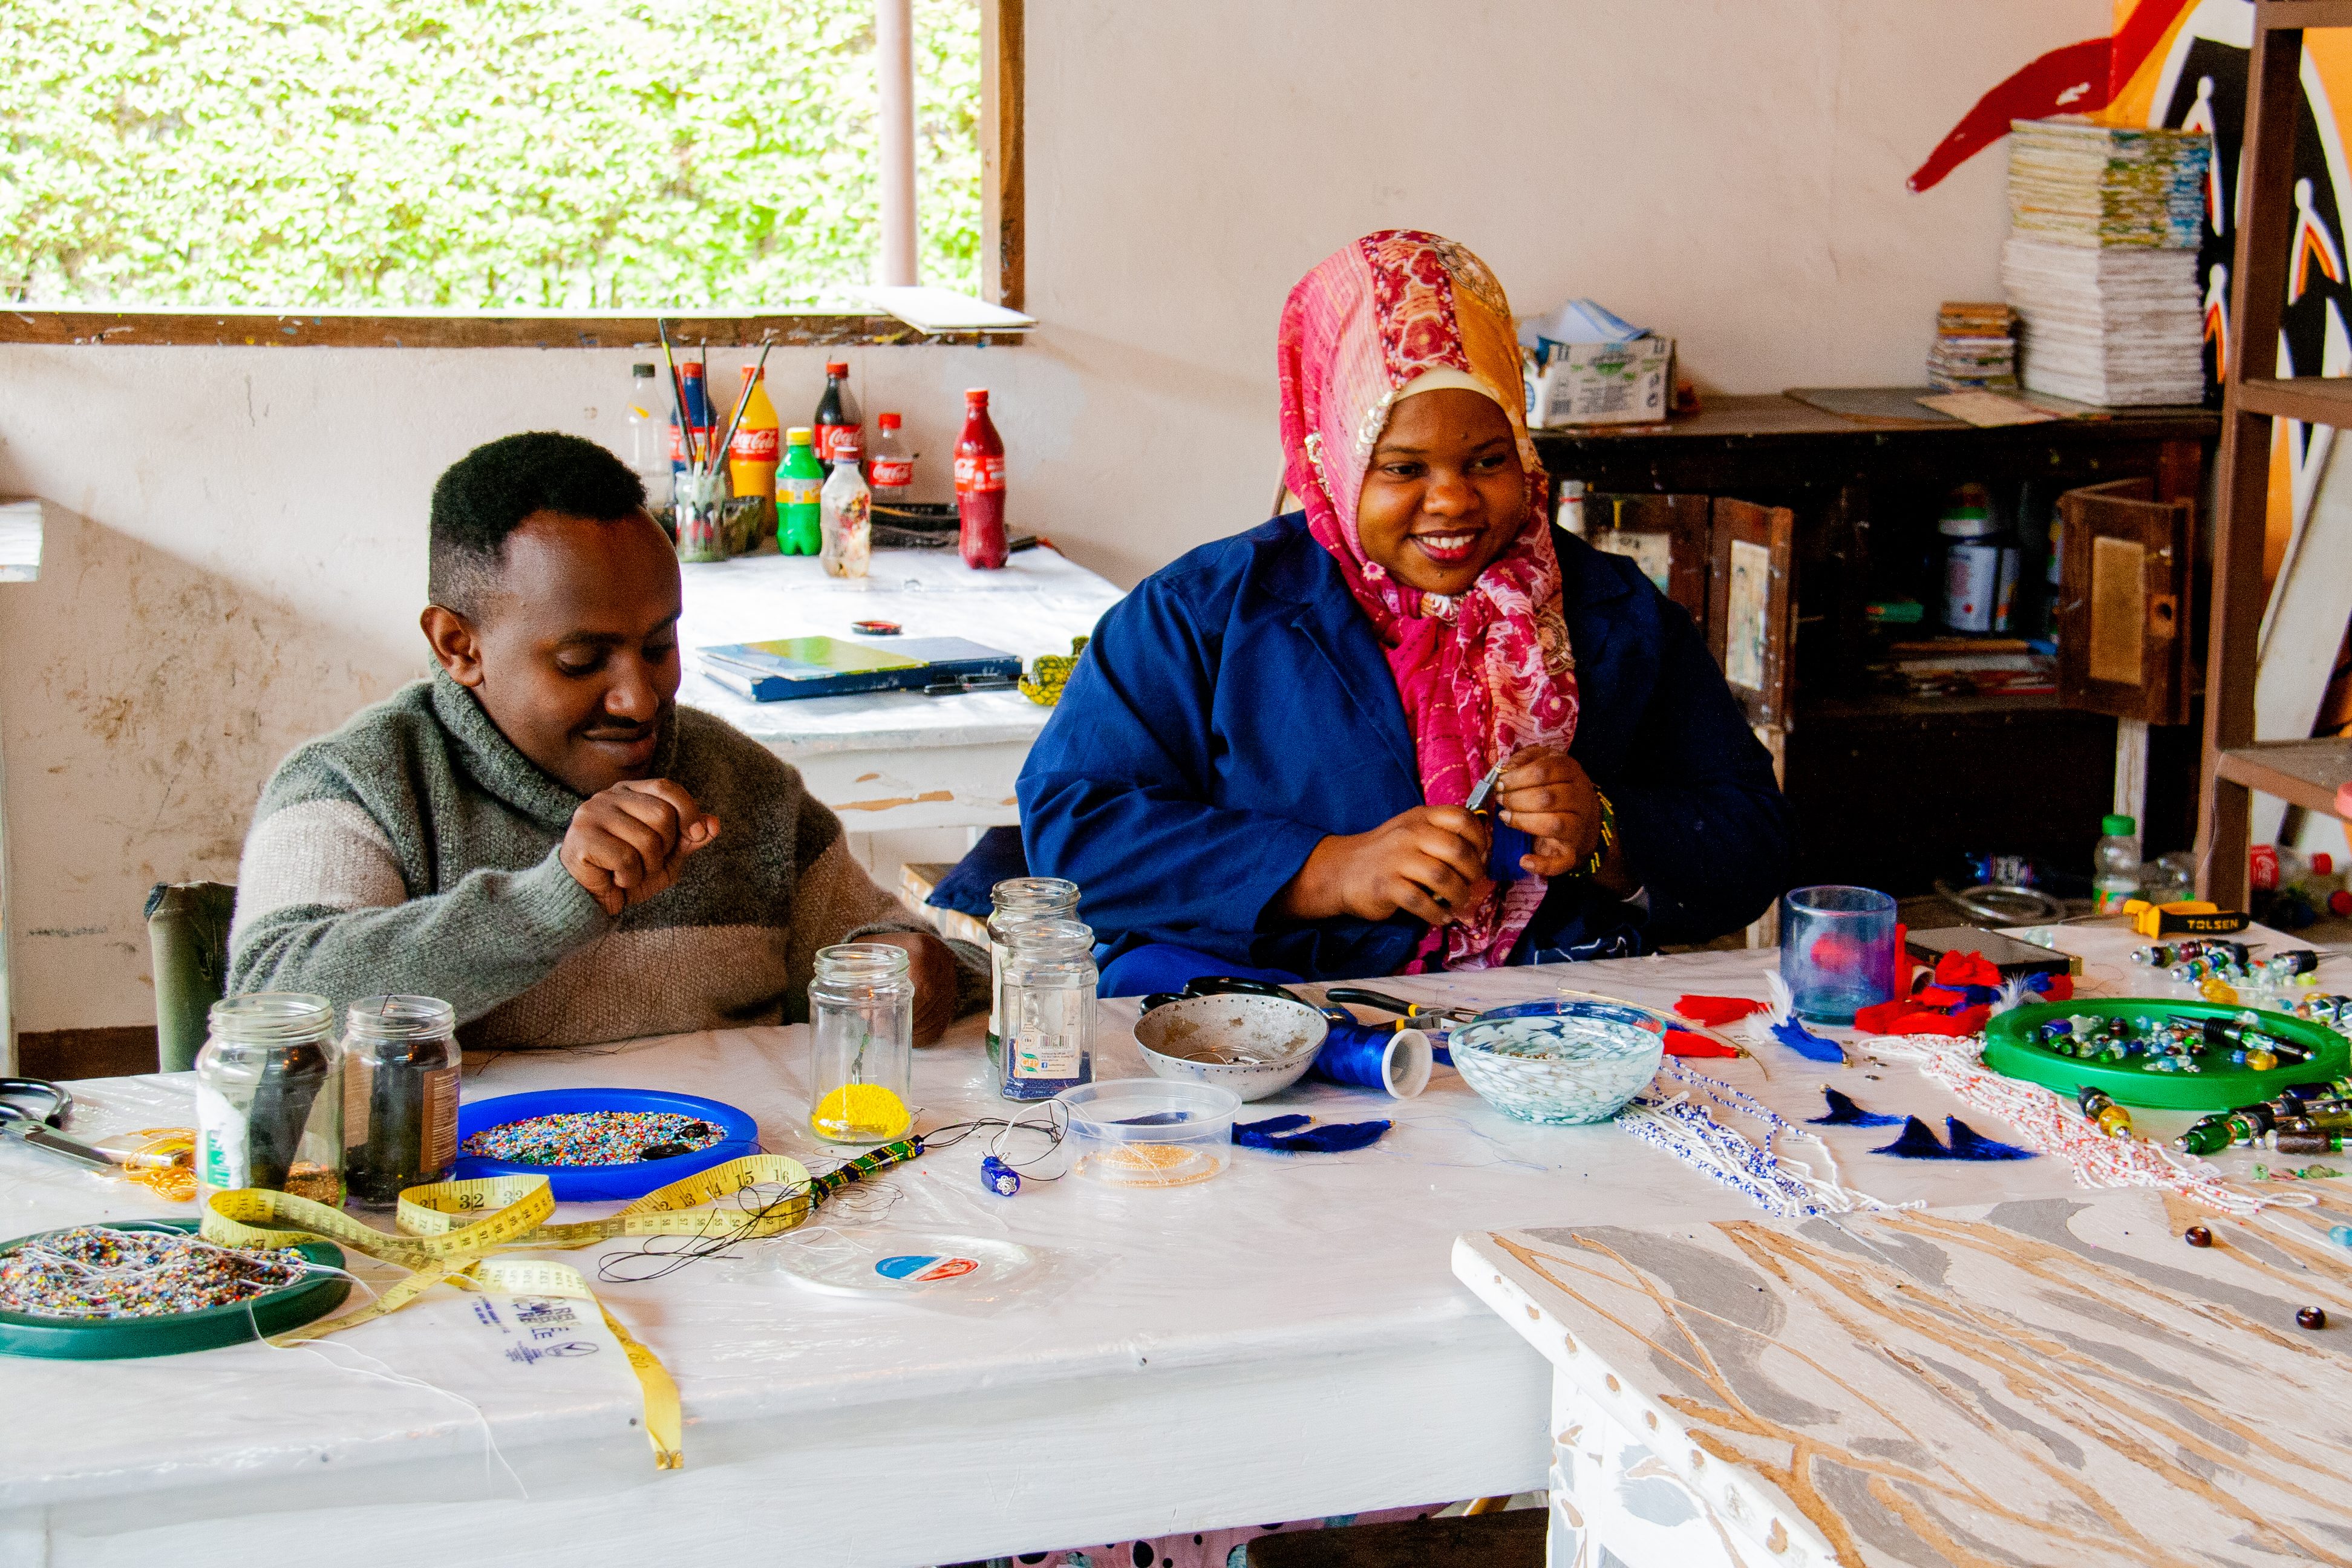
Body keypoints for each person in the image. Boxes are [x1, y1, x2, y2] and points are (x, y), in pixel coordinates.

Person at [1018, 231, 1793, 982]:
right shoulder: (1206, 614)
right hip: (1280, 1017)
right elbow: (1075, 831)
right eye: (1403, 468)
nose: (1452, 500)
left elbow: (1752, 843)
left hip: (1550, 1027)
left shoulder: (1615, 613)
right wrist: (1329, 871)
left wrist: (1607, 833)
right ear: (1334, 460)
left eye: (1489, 460)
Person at [229, 431, 982, 1047]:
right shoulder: (358, 786)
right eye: (582, 662)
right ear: (460, 645)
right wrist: (548, 903)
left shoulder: (744, 787)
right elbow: (268, 1001)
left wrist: (919, 969)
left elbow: (899, 952)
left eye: (659, 646)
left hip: (738, 1204)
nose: (639, 697)